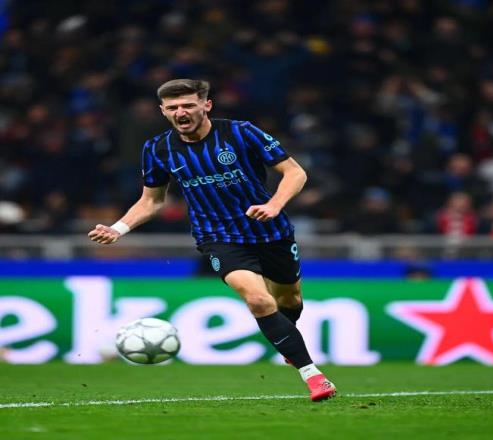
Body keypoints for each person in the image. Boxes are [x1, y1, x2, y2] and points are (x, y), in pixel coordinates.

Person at [88, 78, 336, 402]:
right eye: (172, 107)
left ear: (206, 105)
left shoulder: (240, 132)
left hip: (271, 231)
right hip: (218, 237)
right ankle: (313, 376)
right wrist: (118, 228)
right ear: (163, 111)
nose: (180, 112)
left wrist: (274, 205)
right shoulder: (158, 149)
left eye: (188, 105)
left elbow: (295, 172)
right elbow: (152, 201)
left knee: (289, 300)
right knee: (258, 300)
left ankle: (288, 344)